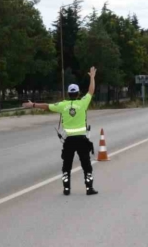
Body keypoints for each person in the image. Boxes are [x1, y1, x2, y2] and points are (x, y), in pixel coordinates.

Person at [23, 66, 98, 196]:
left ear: (68, 94)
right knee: (86, 165)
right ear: (78, 93)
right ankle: (89, 188)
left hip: (69, 140)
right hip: (81, 139)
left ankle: (66, 189)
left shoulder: (62, 105)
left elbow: (46, 106)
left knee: (66, 166)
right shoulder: (83, 103)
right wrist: (92, 77)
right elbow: (91, 91)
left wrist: (33, 105)